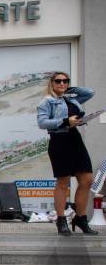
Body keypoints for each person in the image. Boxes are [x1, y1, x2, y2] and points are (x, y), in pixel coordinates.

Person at [37, 71, 97, 235]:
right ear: (52, 83)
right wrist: (65, 121)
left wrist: (69, 89)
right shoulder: (47, 101)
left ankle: (80, 218)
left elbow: (90, 92)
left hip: (75, 139)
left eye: (65, 81)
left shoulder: (71, 98)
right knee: (63, 182)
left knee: (86, 180)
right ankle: (61, 220)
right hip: (59, 140)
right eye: (58, 81)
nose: (62, 84)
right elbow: (42, 123)